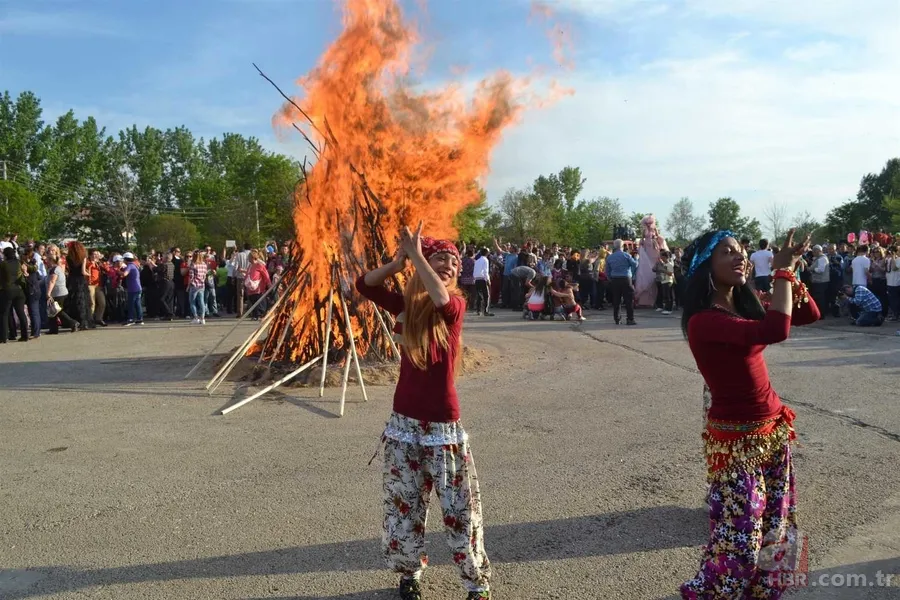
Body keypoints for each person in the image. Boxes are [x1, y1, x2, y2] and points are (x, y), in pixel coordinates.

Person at [680, 228, 820, 599]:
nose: (740, 257)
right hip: (735, 440)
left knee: (777, 526)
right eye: (728, 252)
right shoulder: (703, 321)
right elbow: (778, 330)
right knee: (740, 537)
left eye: (741, 250)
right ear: (705, 267)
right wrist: (781, 273)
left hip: (773, 429)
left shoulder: (742, 306)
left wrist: (791, 272)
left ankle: (761, 592)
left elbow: (808, 315)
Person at [356, 223, 491, 600]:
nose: (449, 266)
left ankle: (476, 583)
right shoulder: (404, 307)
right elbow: (364, 286)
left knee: (460, 512)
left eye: (453, 262)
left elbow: (442, 300)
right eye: (440, 259)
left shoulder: (456, 306)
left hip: (444, 428)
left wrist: (419, 258)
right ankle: (408, 573)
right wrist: (398, 263)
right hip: (403, 426)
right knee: (403, 508)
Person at [605, 239, 638, 325]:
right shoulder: (626, 255)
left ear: (614, 246)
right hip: (626, 278)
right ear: (622, 246)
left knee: (616, 300)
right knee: (628, 300)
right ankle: (630, 319)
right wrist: (636, 259)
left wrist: (610, 278)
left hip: (615, 279)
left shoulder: (610, 257)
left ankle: (617, 319)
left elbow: (607, 271)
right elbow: (635, 264)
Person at [0, 246, 29, 342]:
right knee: (21, 312)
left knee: (4, 314)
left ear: (5, 255)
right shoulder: (18, 262)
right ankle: (25, 335)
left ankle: (3, 337)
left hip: (7, 290)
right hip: (19, 290)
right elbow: (31, 268)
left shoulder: (3, 264)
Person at [121, 252, 144, 326]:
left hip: (133, 288)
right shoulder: (135, 265)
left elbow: (125, 274)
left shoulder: (130, 266)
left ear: (126, 259)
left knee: (131, 304)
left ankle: (130, 319)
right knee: (137, 303)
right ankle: (140, 319)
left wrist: (118, 271)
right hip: (138, 287)